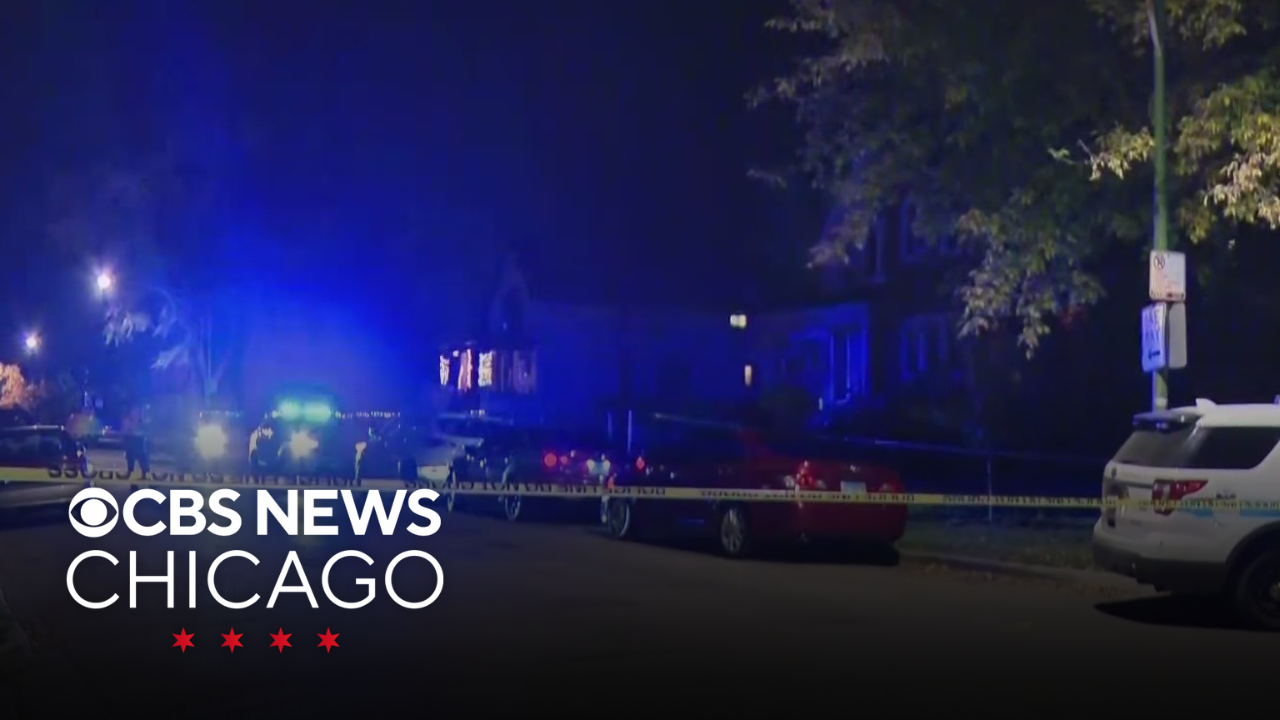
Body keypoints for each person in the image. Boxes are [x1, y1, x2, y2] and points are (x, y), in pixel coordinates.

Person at [121, 405, 150, 476]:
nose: (136, 413)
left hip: (140, 444)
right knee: (130, 461)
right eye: (134, 411)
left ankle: (146, 476)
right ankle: (131, 477)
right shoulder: (128, 420)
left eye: (137, 411)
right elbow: (124, 431)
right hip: (131, 443)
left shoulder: (142, 421)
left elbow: (146, 432)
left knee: (143, 461)